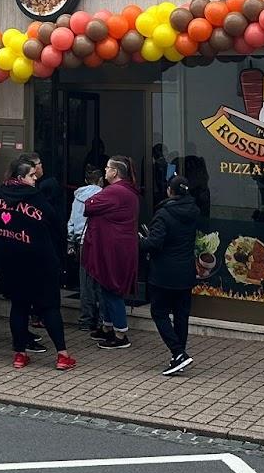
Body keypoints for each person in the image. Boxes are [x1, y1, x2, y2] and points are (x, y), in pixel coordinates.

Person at [0, 156, 77, 371]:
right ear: (21, 177)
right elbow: (55, 221)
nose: (35, 179)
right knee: (49, 306)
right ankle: (62, 355)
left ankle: (20, 354)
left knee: (19, 306)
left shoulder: (0, 194)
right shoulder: (34, 196)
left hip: (9, 260)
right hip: (38, 261)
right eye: (31, 175)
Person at [141, 175, 199, 375]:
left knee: (159, 312)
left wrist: (139, 241)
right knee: (181, 315)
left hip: (164, 273)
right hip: (186, 272)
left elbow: (154, 243)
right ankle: (179, 355)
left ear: (169, 191)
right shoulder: (194, 211)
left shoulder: (164, 214)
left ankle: (178, 352)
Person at [82, 155, 141, 349]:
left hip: (114, 250)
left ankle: (120, 334)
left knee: (112, 289)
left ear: (115, 172)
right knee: (107, 288)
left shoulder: (116, 191)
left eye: (107, 168)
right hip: (118, 247)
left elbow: (89, 204)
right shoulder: (127, 191)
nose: (105, 171)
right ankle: (107, 328)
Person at [67, 163, 103, 330]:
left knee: (86, 283)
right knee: (101, 283)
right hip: (98, 243)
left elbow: (72, 221)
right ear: (101, 180)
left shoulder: (78, 197)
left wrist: (70, 239)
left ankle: (86, 319)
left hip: (82, 243)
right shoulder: (104, 196)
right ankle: (103, 319)